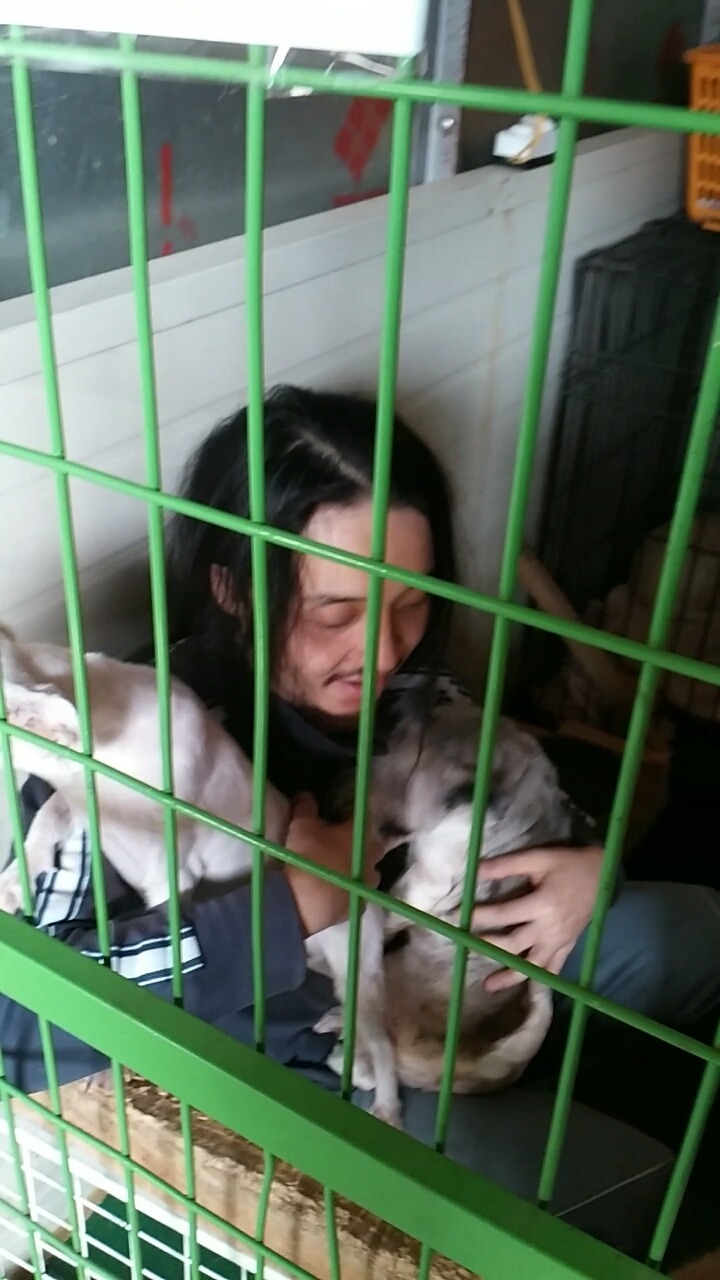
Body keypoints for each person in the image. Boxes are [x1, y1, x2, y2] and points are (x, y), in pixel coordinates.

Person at [3, 386, 719, 1255]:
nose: (383, 651)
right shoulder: (126, 744)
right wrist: (286, 910)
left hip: (459, 959)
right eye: (336, 612)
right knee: (648, 1185)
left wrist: (590, 869)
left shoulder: (415, 688)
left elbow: (517, 794)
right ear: (231, 588)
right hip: (326, 1057)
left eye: (410, 601)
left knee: (694, 930)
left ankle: (545, 1077)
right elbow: (21, 1034)